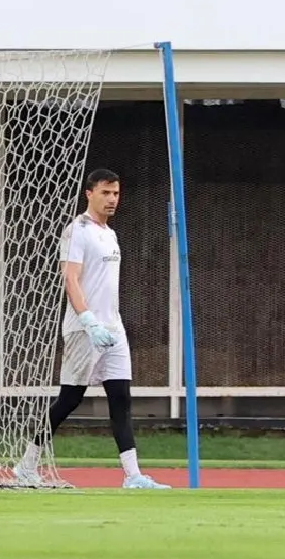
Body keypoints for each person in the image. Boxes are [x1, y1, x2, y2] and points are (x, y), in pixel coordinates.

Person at [14, 168, 169, 489]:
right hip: (85, 328)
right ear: (90, 194)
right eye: (105, 193)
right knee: (70, 399)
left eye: (116, 193)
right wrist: (87, 320)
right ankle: (27, 464)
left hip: (113, 328)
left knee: (121, 397)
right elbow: (70, 278)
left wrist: (107, 323)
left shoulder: (110, 234)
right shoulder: (77, 230)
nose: (112, 199)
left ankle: (133, 475)